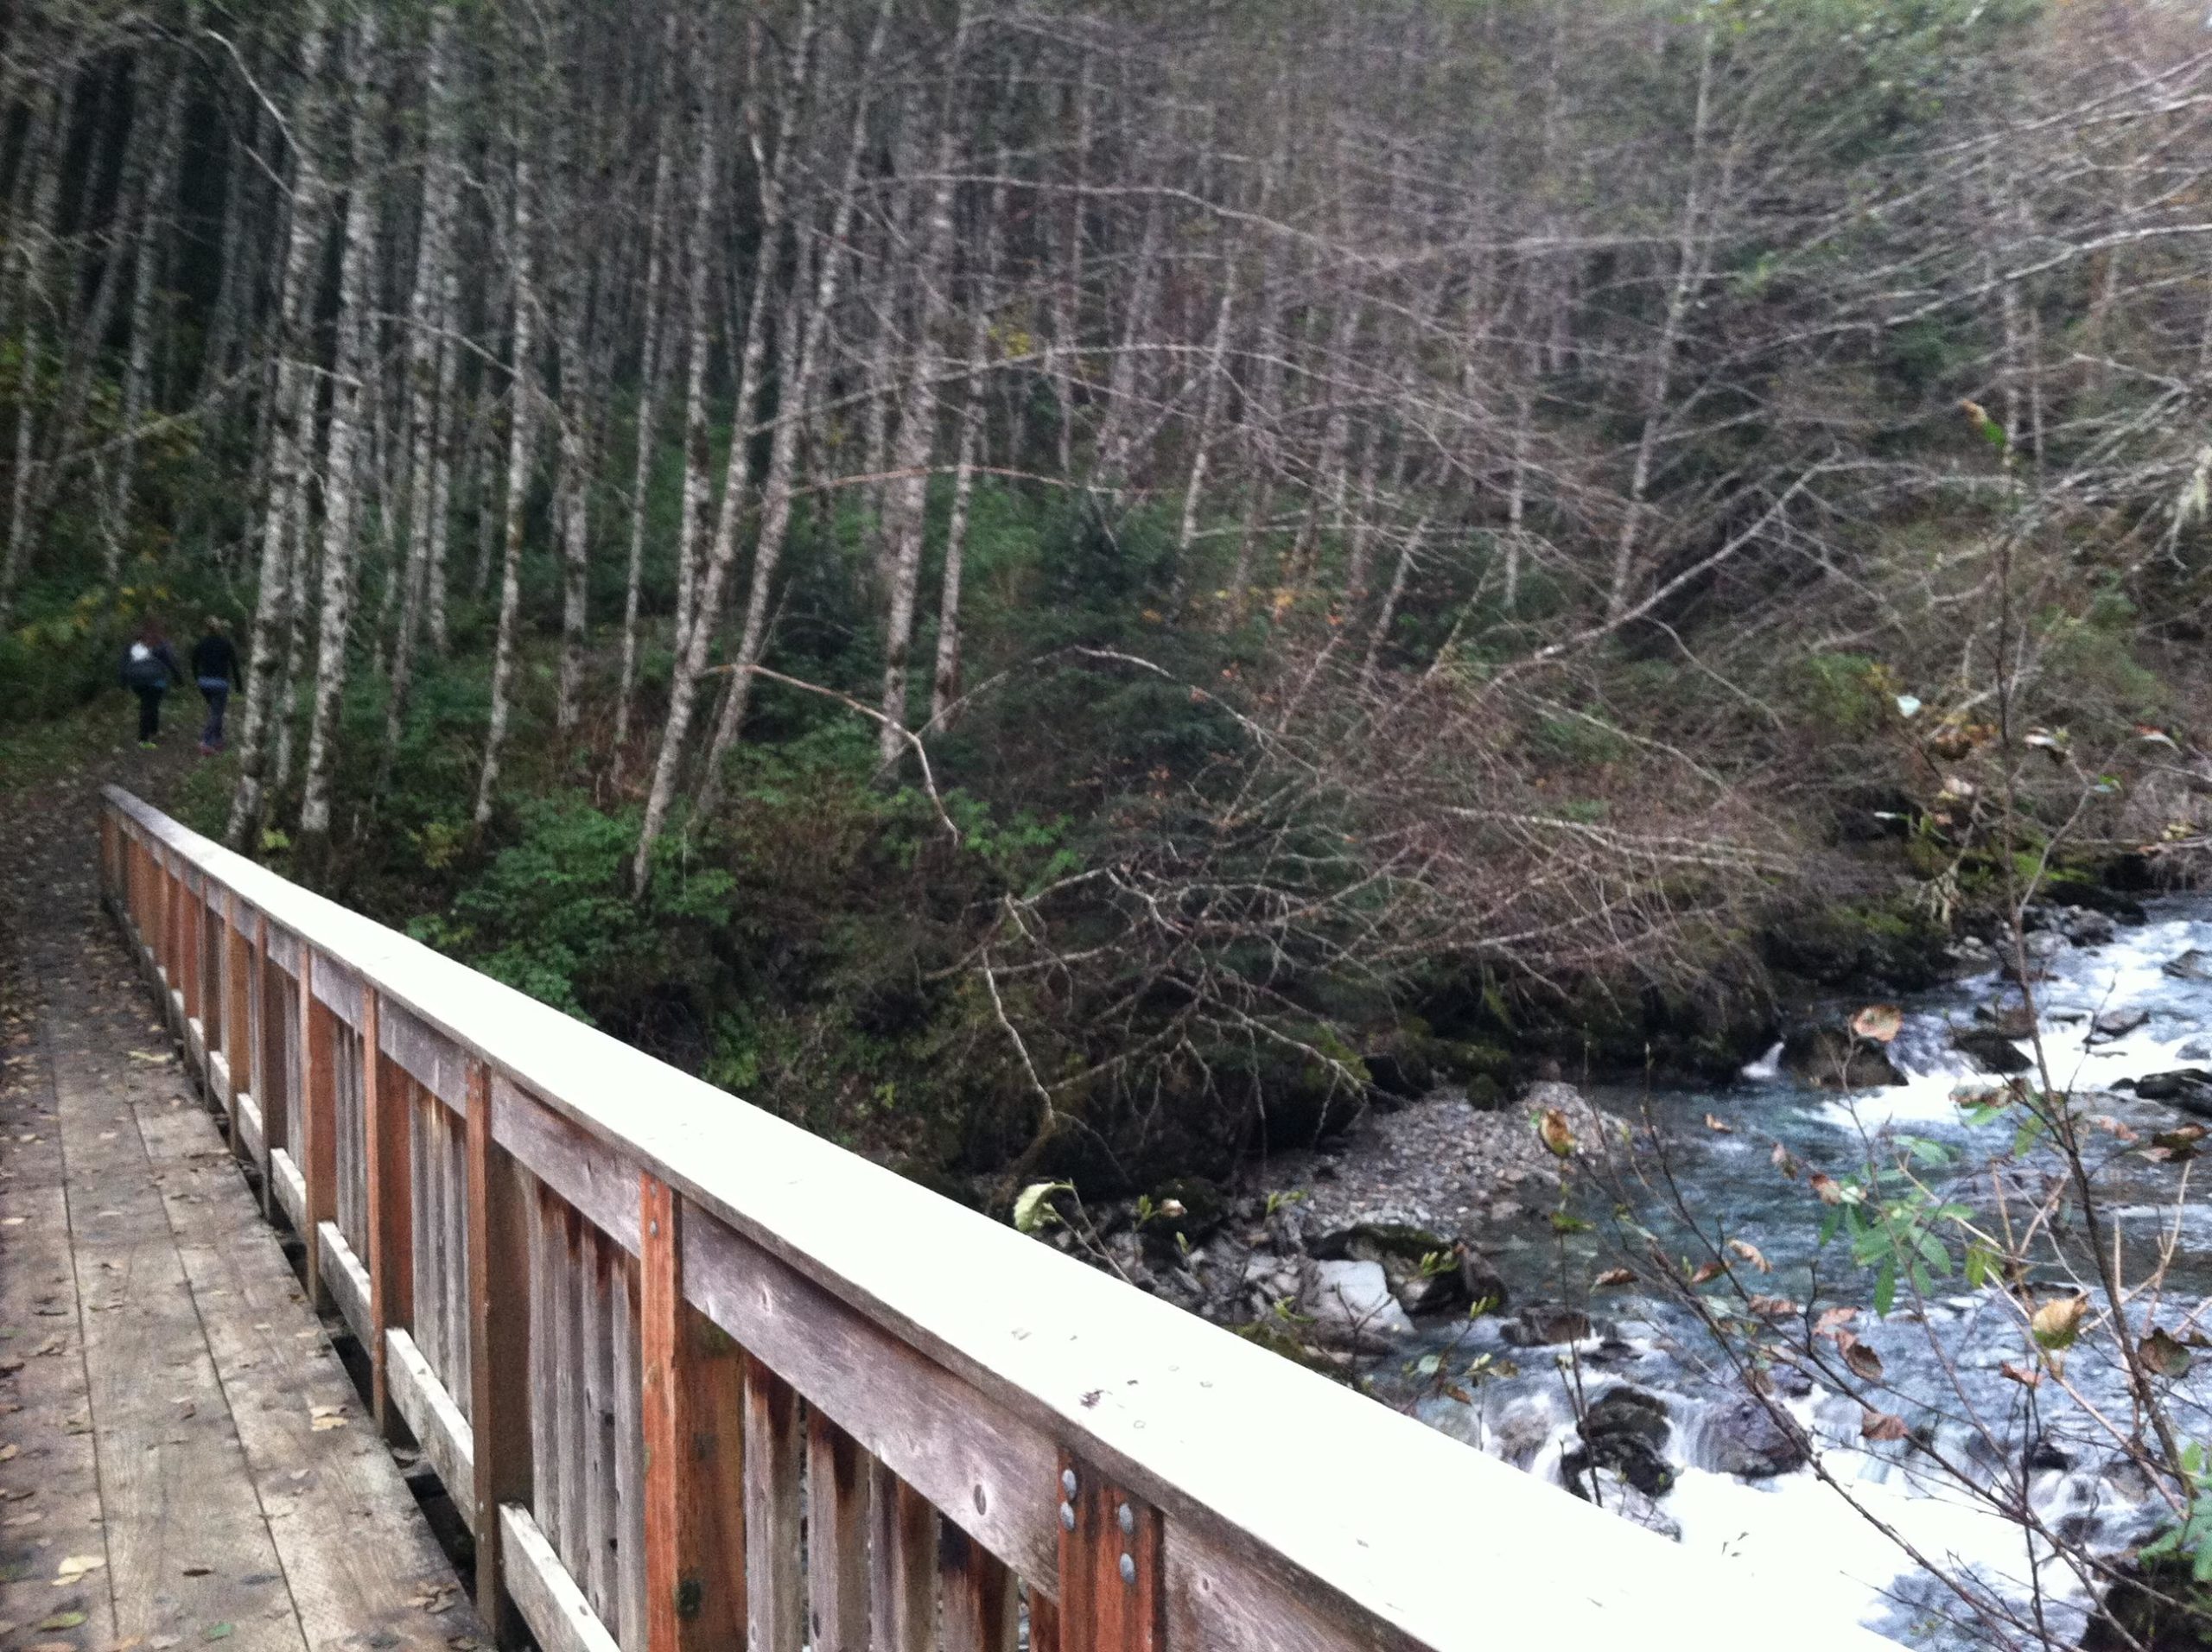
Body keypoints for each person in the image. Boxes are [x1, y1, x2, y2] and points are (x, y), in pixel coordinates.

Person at [119, 621, 183, 748]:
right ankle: (143, 738)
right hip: (156, 681)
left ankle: (153, 731)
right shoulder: (158, 646)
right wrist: (178, 678)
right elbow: (170, 662)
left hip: (137, 683)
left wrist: (123, 683)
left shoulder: (130, 648)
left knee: (149, 705)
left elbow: (123, 666)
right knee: (150, 707)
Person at [191, 617, 238, 754]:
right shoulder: (226, 643)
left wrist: (197, 678)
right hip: (220, 683)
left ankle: (217, 740)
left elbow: (194, 661)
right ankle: (206, 742)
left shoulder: (201, 643)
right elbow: (234, 664)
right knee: (217, 713)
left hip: (204, 682)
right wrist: (239, 685)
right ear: (220, 628)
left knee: (215, 710)